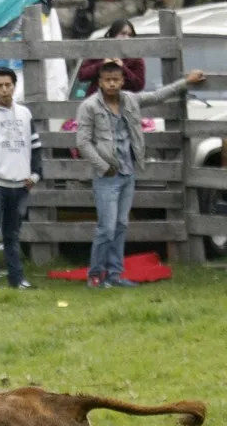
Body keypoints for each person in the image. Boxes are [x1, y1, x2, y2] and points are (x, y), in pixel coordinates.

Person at [76, 63, 206, 289]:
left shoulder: (130, 100)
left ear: (122, 81)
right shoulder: (89, 106)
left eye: (116, 79)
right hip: (107, 175)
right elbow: (83, 142)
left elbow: (158, 95)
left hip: (128, 172)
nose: (112, 84)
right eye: (107, 80)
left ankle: (115, 274)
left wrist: (186, 82)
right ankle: (95, 275)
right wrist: (102, 166)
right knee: (106, 228)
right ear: (99, 82)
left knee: (121, 225)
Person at [0, 67, 43, 291]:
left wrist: (35, 174)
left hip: (21, 185)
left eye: (8, 85)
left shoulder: (24, 113)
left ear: (14, 85)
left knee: (13, 234)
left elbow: (36, 147)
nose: (4, 89)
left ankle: (17, 278)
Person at [76, 19, 146, 97]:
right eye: (123, 34)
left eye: (130, 35)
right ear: (114, 34)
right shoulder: (100, 51)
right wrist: (102, 65)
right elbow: (82, 75)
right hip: (98, 104)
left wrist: (123, 68)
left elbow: (139, 85)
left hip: (123, 103)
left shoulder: (135, 58)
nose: (127, 38)